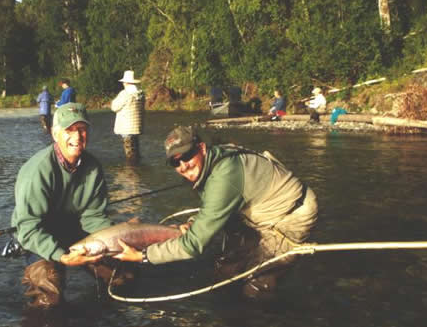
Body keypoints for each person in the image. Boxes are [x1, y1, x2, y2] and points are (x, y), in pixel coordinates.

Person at [114, 126, 318, 300]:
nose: (183, 166)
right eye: (175, 163)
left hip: (291, 216)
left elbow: (193, 246)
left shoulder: (223, 177)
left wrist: (142, 256)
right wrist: (195, 223)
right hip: (258, 214)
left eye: (187, 156)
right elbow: (217, 204)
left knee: (256, 286)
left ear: (201, 148)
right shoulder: (213, 161)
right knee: (225, 270)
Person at [11, 102, 129, 308]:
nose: (77, 137)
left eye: (82, 129)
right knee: (49, 299)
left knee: (123, 275)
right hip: (39, 237)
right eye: (69, 130)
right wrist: (61, 256)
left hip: (77, 234)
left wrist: (116, 239)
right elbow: (28, 228)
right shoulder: (38, 172)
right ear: (55, 134)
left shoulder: (92, 167)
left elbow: (94, 217)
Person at [111, 70, 145, 162]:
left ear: (126, 82)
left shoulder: (124, 94)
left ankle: (130, 173)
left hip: (126, 128)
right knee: (136, 153)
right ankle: (138, 171)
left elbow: (114, 107)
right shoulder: (141, 94)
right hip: (136, 128)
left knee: (130, 155)